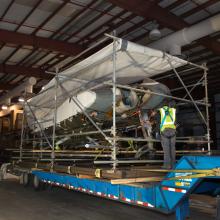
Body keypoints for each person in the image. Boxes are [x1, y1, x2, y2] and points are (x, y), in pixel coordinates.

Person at [159, 101, 176, 169]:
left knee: (166, 150)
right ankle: (173, 165)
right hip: (173, 132)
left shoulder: (162, 110)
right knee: (172, 149)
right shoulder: (173, 110)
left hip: (165, 131)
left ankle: (167, 165)